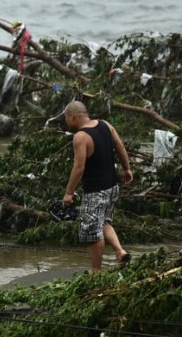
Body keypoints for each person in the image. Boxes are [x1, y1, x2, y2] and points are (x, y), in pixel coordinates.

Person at [62, 100, 133, 273]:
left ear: (71, 116)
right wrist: (127, 169)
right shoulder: (105, 125)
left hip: (95, 191)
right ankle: (120, 251)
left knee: (93, 232)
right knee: (104, 222)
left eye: (66, 118)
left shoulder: (80, 136)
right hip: (112, 186)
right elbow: (120, 146)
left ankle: (96, 271)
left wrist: (69, 193)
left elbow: (79, 167)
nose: (66, 122)